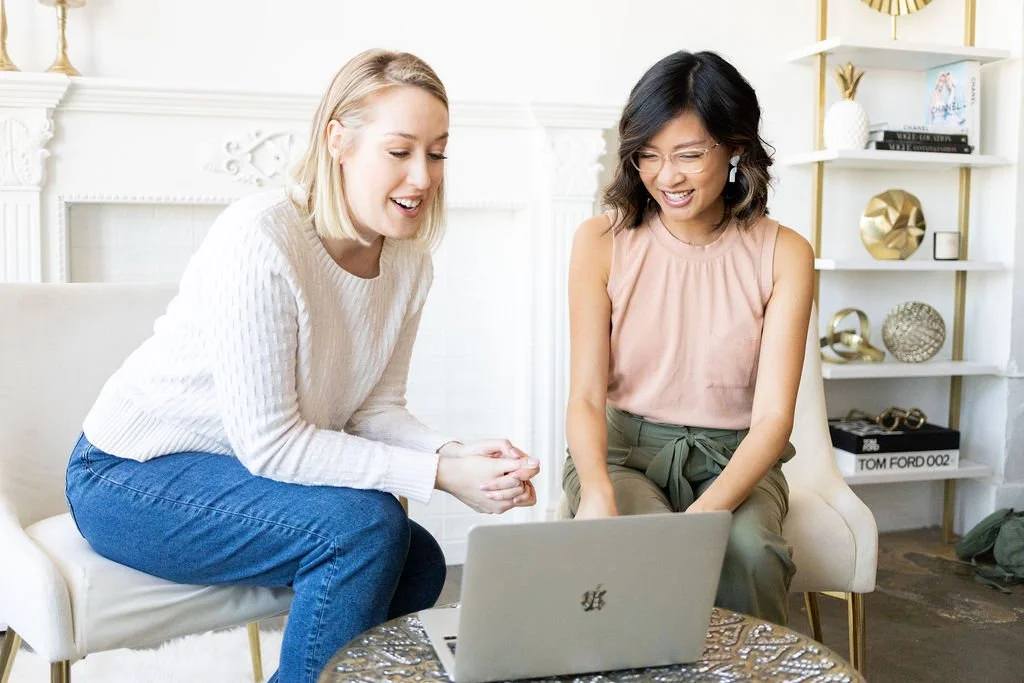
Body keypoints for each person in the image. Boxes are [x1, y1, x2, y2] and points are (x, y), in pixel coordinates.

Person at [65, 49, 540, 683]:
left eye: (437, 152)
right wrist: (439, 474)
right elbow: (271, 445)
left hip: (231, 471)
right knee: (365, 528)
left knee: (419, 559)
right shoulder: (261, 238)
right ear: (338, 142)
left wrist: (456, 454)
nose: (424, 177)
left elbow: (376, 410)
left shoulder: (409, 264)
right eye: (399, 152)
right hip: (126, 477)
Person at [561, 50, 813, 626]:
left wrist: (704, 517)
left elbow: (774, 419)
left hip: (736, 457)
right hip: (624, 454)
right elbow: (583, 395)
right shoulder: (601, 240)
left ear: (736, 149)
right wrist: (596, 491)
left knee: (751, 553)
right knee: (643, 550)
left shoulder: (785, 253)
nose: (664, 177)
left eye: (689, 155)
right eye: (647, 156)